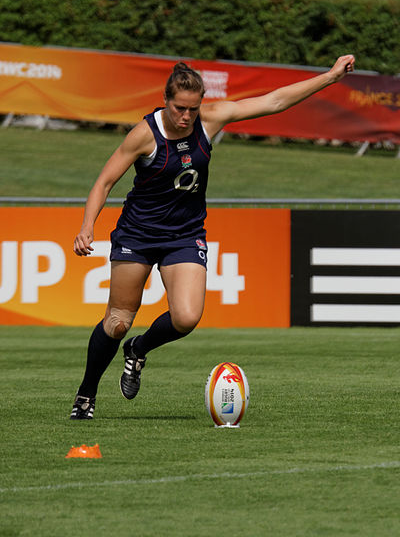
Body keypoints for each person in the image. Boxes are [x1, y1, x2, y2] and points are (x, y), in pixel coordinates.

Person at [70, 54, 355, 420]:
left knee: (187, 317)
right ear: (166, 99)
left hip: (185, 234)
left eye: (193, 108)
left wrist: (330, 77)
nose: (186, 116)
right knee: (118, 321)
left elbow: (274, 101)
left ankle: (138, 349)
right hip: (137, 234)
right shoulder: (145, 134)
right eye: (179, 108)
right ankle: (86, 395)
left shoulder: (210, 120)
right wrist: (86, 226)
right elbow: (104, 181)